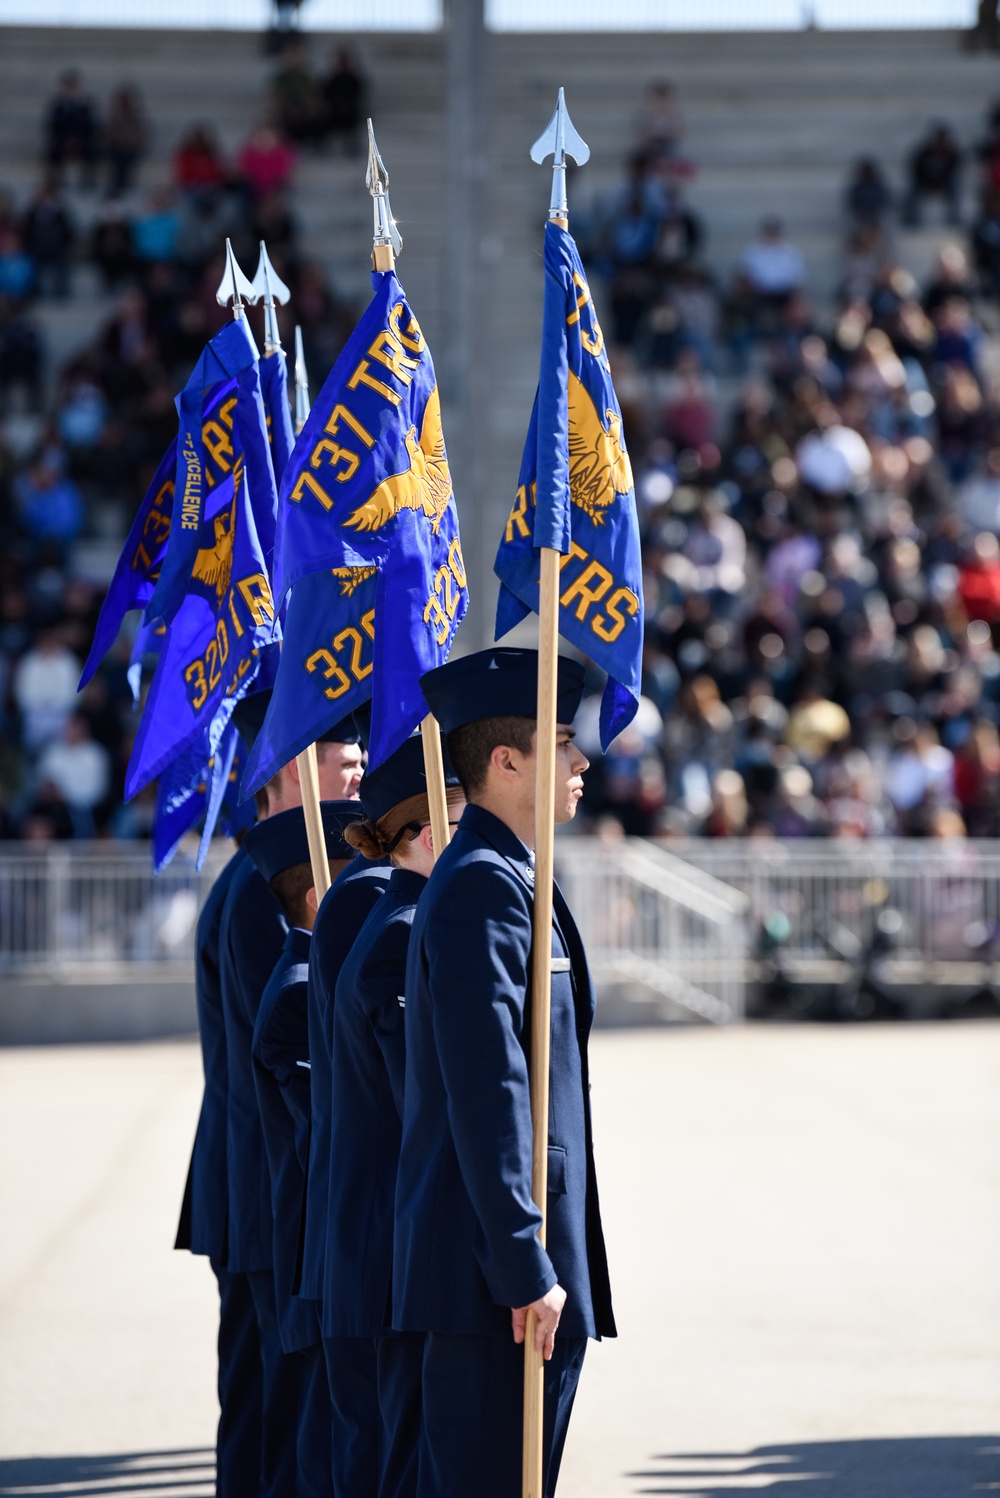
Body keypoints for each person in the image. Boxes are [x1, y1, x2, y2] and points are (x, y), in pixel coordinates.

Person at [393, 648, 616, 1498]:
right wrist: (525, 1263)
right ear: (506, 761)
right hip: (493, 1276)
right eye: (562, 741)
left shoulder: (515, 873)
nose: (581, 759)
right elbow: (488, 1089)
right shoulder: (484, 885)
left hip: (512, 1268)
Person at [218, 689, 363, 1498]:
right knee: (280, 1416)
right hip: (276, 1189)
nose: (361, 780)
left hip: (270, 1186)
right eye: (346, 766)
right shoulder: (265, 889)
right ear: (292, 772)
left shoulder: (270, 875)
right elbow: (285, 1049)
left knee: (274, 1408)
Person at [326, 734, 464, 1498]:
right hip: (389, 1249)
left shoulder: (397, 918)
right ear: (428, 832)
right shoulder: (405, 932)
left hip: (382, 1242)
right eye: (462, 813)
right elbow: (429, 1101)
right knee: (399, 1468)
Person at [245, 800, 367, 1498]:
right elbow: (330, 1124)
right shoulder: (298, 992)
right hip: (319, 1263)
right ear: (322, 889)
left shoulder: (316, 976)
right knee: (324, 1457)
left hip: (329, 1254)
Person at [174, 826, 263, 1498]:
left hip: (249, 1181)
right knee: (265, 1406)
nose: (357, 766)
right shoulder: (267, 884)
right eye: (338, 754)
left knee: (260, 1399)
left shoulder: (256, 875)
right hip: (258, 1187)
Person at [903, 124, 962, 226]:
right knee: (912, 189)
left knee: (954, 187)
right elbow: (915, 169)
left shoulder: (951, 154)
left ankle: (954, 217)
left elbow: (955, 170)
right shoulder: (924, 153)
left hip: (943, 182)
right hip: (925, 181)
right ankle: (911, 218)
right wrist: (928, 180)